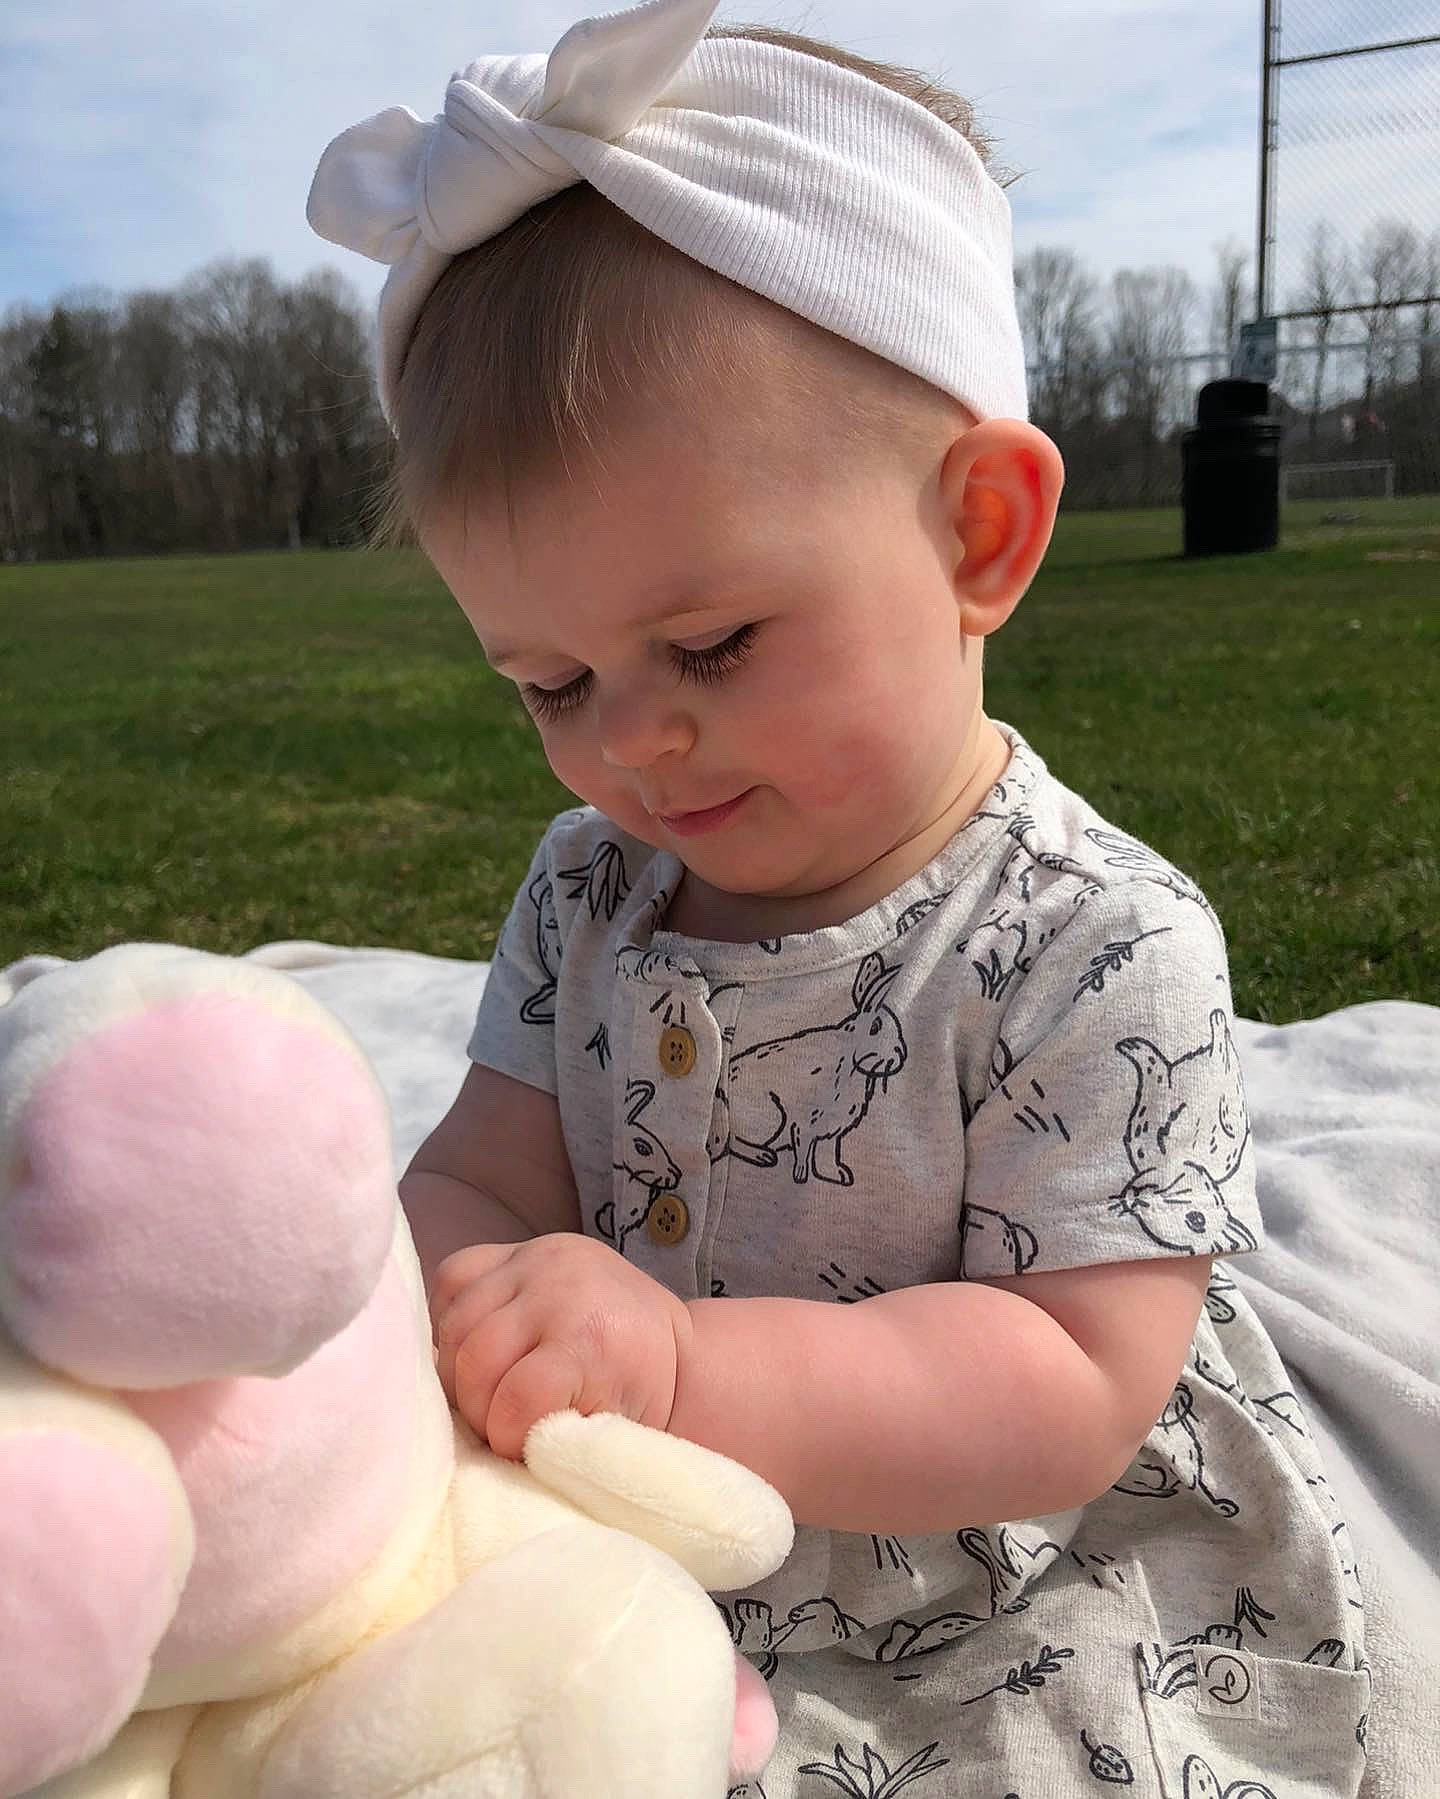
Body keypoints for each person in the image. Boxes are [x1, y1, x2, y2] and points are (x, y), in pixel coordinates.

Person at [307, 2, 1370, 1790]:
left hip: (974, 1566)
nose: (630, 741)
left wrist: (680, 1369)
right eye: (550, 683)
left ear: (979, 535)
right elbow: (489, 1168)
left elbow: (1065, 1379)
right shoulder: (591, 891)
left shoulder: (1095, 942)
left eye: (713, 642)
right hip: (612, 1498)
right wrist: (457, 1312)